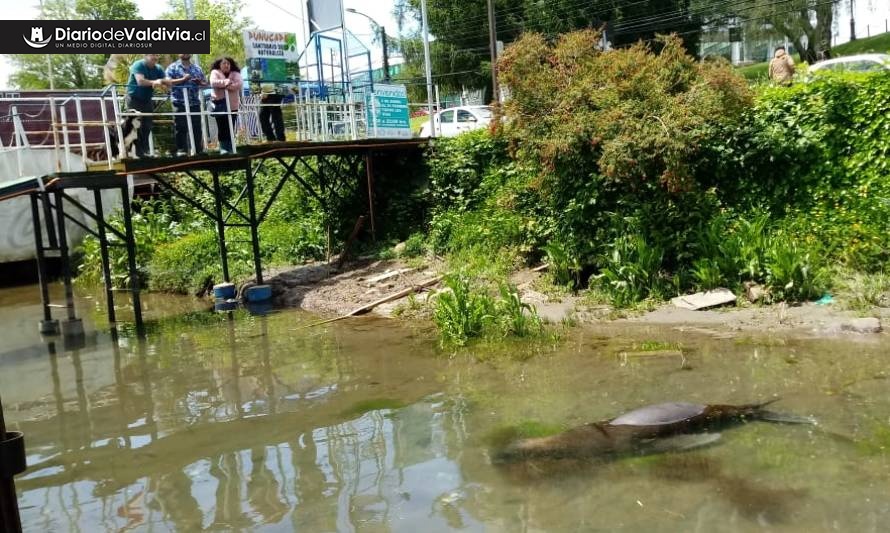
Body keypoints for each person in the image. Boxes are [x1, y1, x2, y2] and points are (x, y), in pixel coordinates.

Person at [126, 54, 174, 157]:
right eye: (152, 55)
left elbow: (166, 80)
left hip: (147, 100)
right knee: (136, 126)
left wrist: (167, 82)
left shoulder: (158, 68)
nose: (155, 57)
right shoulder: (138, 65)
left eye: (157, 55)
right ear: (145, 56)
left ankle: (144, 151)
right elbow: (140, 81)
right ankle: (136, 152)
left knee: (147, 126)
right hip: (134, 99)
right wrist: (156, 82)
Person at [166, 53, 207, 156]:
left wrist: (200, 83)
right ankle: (182, 151)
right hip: (179, 102)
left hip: (194, 102)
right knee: (180, 127)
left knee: (197, 127)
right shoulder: (172, 67)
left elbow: (205, 84)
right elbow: (167, 82)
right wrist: (183, 79)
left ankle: (199, 150)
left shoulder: (197, 68)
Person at [209, 57, 243, 154]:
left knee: (231, 127)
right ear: (219, 65)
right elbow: (213, 82)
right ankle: (223, 148)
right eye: (224, 63)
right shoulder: (215, 72)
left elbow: (239, 84)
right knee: (222, 127)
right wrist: (226, 82)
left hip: (233, 106)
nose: (226, 65)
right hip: (219, 105)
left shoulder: (236, 73)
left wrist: (226, 86)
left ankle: (231, 148)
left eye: (228, 63)